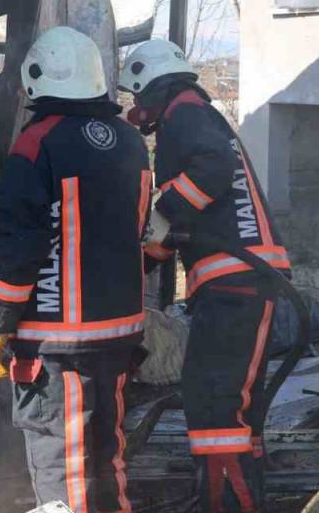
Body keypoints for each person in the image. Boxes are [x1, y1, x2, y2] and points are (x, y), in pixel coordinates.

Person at [0, 26, 150, 513]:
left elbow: (20, 243)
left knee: (64, 466)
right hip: (119, 333)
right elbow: (138, 225)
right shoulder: (129, 141)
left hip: (58, 342)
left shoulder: (37, 143)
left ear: (36, 77)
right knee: (107, 461)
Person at [120, 39, 291, 513]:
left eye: (138, 97)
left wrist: (163, 210)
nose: (138, 108)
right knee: (234, 406)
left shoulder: (185, 114)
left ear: (152, 86)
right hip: (242, 277)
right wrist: (143, 259)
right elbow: (186, 222)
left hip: (235, 280)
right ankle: (242, 499)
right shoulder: (195, 115)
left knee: (212, 402)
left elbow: (210, 172)